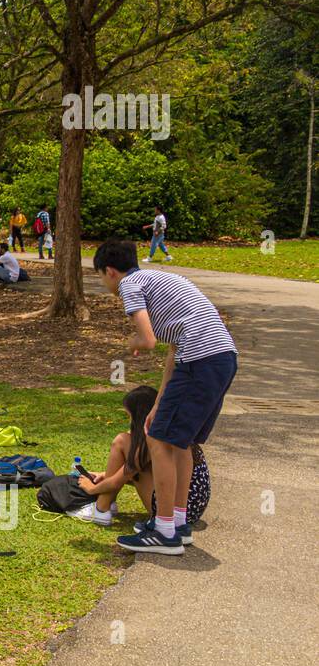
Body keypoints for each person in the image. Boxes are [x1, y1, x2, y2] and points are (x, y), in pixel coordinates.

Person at [93, 238, 237, 555]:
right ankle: (178, 524)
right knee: (179, 442)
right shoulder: (160, 280)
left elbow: (147, 340)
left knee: (157, 440)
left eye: (101, 277)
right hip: (220, 357)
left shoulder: (130, 285)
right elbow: (172, 351)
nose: (104, 284)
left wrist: (132, 341)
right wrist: (158, 403)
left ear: (110, 271)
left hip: (200, 360)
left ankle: (164, 531)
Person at [69, 385, 212, 529]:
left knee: (121, 441)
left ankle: (101, 508)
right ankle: (107, 503)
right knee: (127, 447)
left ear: (140, 417)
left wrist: (91, 489)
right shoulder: (173, 429)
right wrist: (105, 475)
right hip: (191, 508)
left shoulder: (153, 441)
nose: (129, 422)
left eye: (130, 416)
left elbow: (118, 480)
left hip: (174, 513)